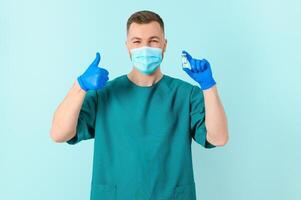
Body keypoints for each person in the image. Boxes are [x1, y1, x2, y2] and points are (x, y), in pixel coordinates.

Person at [50, 10, 229, 200]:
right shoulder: (105, 94)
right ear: (127, 47)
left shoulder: (186, 94)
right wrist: (80, 86)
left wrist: (209, 86)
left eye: (153, 40)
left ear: (164, 45)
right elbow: (59, 133)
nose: (145, 48)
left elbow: (219, 138)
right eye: (137, 41)